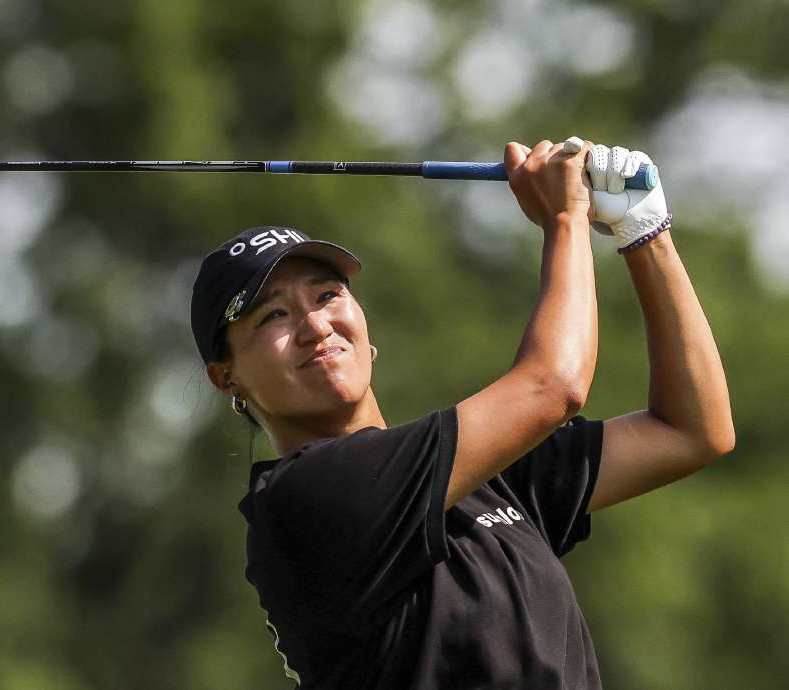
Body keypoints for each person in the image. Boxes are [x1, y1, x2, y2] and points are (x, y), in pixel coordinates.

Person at [188, 137, 734, 688]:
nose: (314, 326)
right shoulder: (305, 498)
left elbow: (691, 430)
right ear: (225, 376)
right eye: (273, 315)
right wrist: (565, 219)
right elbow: (554, 387)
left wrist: (646, 232)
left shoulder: (484, 482)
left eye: (327, 295)